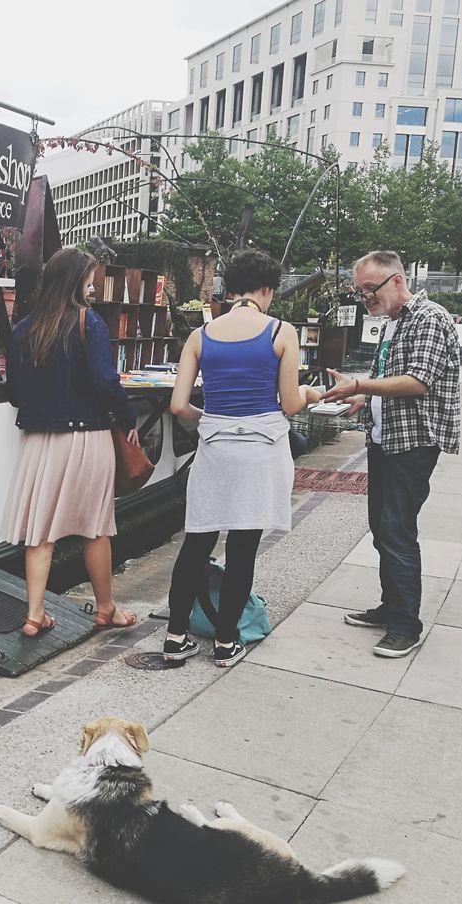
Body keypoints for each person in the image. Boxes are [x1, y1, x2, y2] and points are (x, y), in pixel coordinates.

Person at [163, 250, 321, 667]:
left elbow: (179, 406)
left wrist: (214, 420)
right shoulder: (281, 332)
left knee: (196, 543)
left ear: (231, 289)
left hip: (215, 450)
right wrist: (312, 394)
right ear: (267, 289)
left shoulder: (201, 335)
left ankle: (175, 637)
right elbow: (289, 403)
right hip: (260, 451)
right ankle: (225, 642)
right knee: (242, 549)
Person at [321, 251, 460, 658]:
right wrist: (367, 402)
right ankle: (390, 606)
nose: (364, 298)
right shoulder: (394, 323)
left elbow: (417, 382)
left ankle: (406, 626)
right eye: (359, 291)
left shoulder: (428, 317)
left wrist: (359, 386)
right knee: (382, 528)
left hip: (413, 443)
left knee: (397, 530)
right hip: (386, 438)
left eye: (370, 289)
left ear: (397, 280)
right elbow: (392, 378)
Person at [1, 248, 140, 636]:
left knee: (40, 532)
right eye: (90, 277)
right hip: (87, 437)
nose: (93, 284)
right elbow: (106, 382)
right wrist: (127, 419)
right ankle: (106, 609)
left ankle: (34, 616)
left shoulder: (23, 328)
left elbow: (14, 393)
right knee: (96, 527)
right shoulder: (88, 323)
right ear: (76, 280)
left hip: (38, 444)